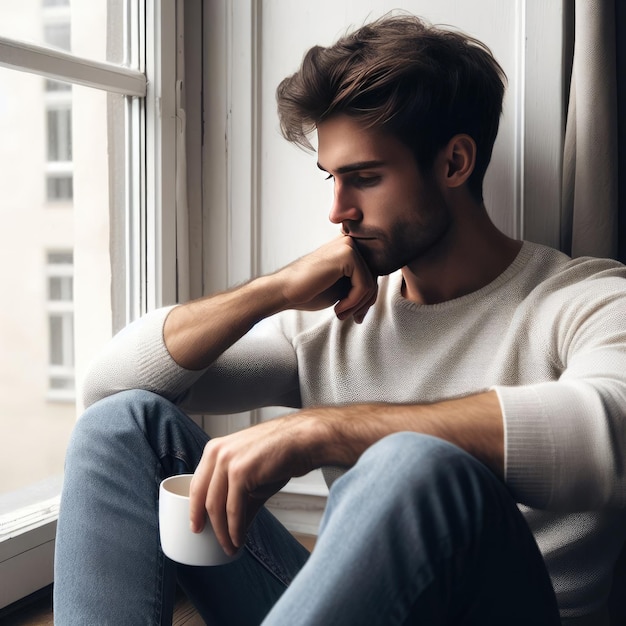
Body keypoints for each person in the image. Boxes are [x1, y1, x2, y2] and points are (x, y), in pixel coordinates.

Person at [54, 13, 626, 626]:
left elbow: (607, 431)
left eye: (365, 178)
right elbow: (107, 390)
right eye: (332, 177)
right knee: (124, 426)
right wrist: (272, 291)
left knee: (414, 463)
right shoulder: (336, 322)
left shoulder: (584, 298)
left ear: (455, 162)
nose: (337, 210)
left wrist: (322, 430)